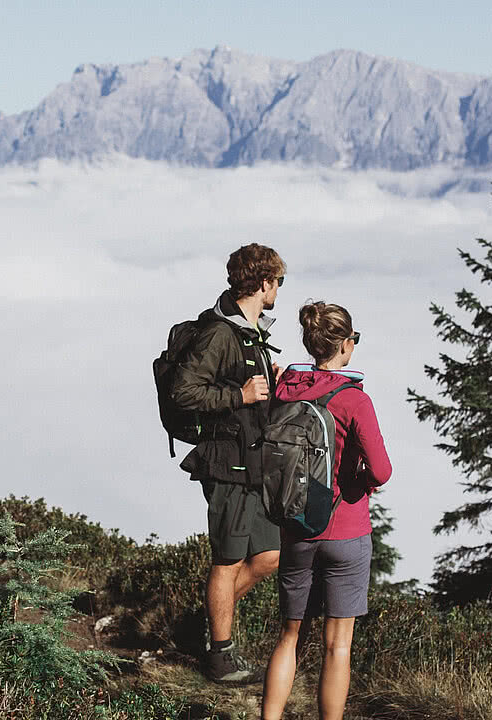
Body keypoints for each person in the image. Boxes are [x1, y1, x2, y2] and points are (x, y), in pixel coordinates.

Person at [260, 301, 392, 720]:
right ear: (346, 346)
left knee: (289, 637)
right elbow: (383, 471)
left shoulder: (288, 387)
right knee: (337, 645)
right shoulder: (354, 400)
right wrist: (359, 483)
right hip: (347, 529)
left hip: (296, 528)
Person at [169, 243, 287, 683]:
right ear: (262, 283)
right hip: (226, 466)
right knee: (227, 562)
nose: (279, 290)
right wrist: (240, 395)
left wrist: (270, 385)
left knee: (272, 555)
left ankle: (206, 625)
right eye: (278, 282)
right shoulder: (221, 333)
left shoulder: (251, 334)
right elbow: (185, 391)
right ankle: (220, 657)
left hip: (254, 466)